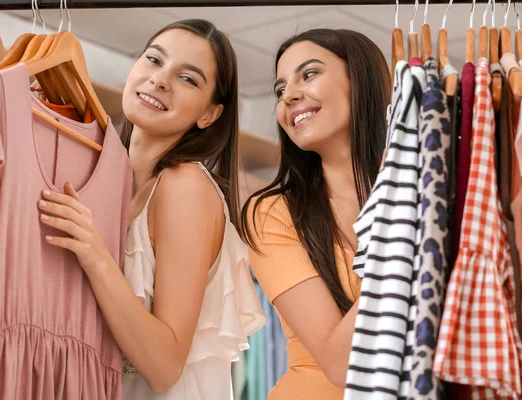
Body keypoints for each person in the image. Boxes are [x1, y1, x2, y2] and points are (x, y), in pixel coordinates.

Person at [37, 19, 265, 400]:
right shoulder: (108, 176)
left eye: (188, 79)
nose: (160, 80)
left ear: (209, 114)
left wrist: (95, 256)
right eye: (154, 60)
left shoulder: (184, 186)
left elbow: (165, 368)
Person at [241, 29, 391, 399]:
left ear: (361, 81)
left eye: (308, 74)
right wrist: (400, 224)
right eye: (279, 90)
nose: (289, 95)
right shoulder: (271, 214)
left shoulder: (443, 184)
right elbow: (339, 364)